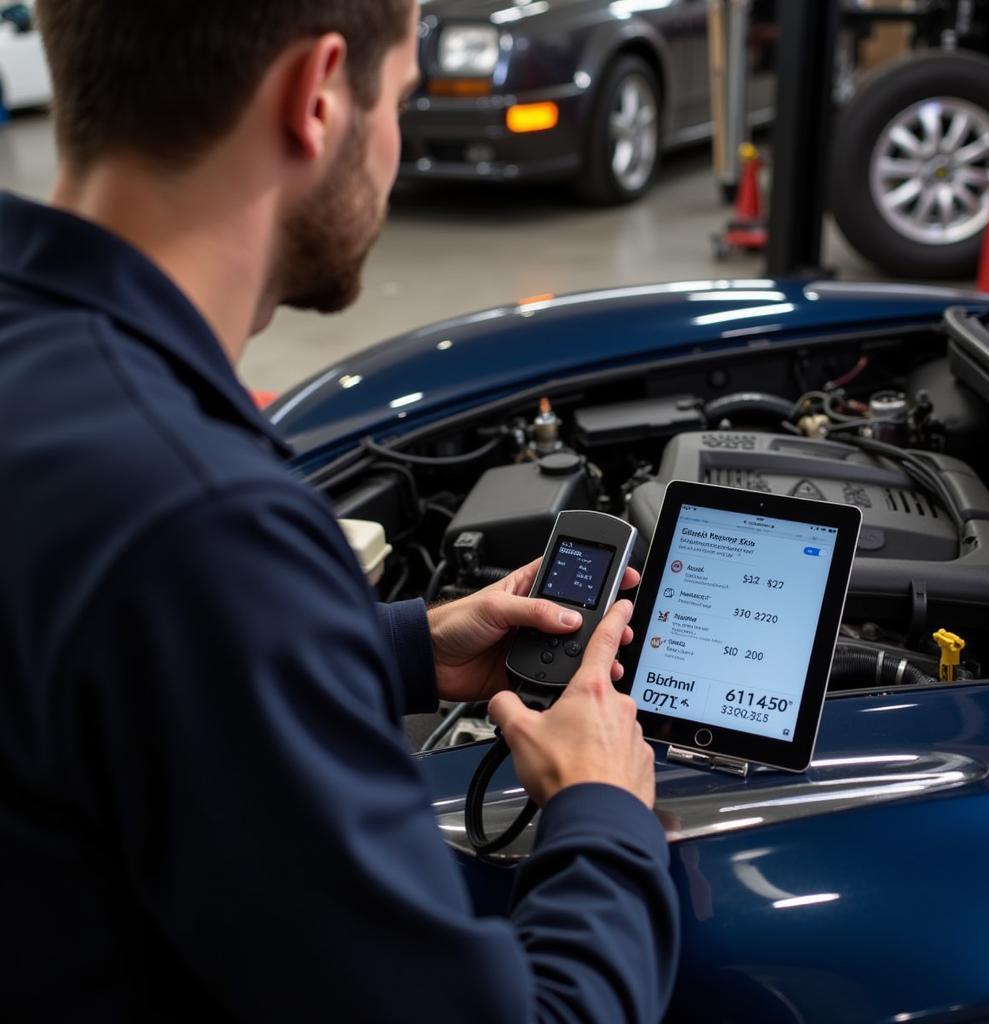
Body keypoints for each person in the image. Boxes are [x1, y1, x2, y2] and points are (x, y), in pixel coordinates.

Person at [0, 2, 680, 1020]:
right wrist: (605, 813)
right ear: (317, 96)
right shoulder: (201, 523)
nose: (398, 144)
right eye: (401, 97)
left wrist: (405, 646)